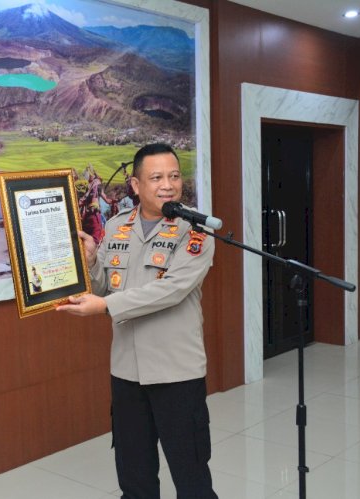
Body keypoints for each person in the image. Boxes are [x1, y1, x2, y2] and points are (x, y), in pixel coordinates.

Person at [57, 143, 217, 498]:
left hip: (177, 373)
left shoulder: (196, 231)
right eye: (156, 177)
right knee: (135, 480)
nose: (168, 185)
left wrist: (105, 308)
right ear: (135, 185)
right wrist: (92, 261)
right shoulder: (116, 227)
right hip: (127, 374)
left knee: (192, 481)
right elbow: (104, 287)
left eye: (174, 176)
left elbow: (171, 291)